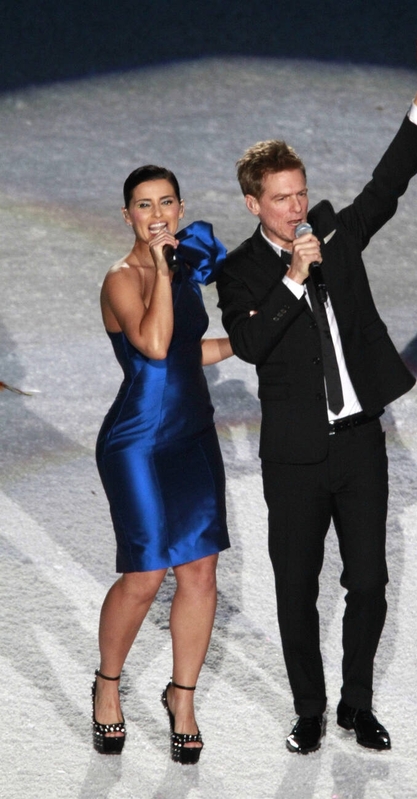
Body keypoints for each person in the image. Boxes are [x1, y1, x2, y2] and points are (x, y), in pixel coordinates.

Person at [217, 21, 417, 754]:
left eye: (301, 193)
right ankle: (309, 710)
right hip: (292, 457)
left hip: (357, 446)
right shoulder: (241, 273)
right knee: (295, 591)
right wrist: (290, 278)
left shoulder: (333, 236)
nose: (294, 207)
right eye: (280, 198)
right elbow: (249, 343)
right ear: (253, 202)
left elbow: (386, 187)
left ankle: (354, 704)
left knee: (369, 583)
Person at [93, 165, 231, 765]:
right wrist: (167, 272)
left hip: (193, 435)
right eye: (144, 205)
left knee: (200, 572)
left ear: (180, 207)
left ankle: (183, 697)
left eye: (166, 202)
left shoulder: (182, 271)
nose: (157, 213)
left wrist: (245, 345)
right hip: (139, 442)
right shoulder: (121, 278)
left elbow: (184, 352)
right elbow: (151, 345)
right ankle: (107, 684)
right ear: (127, 216)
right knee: (146, 575)